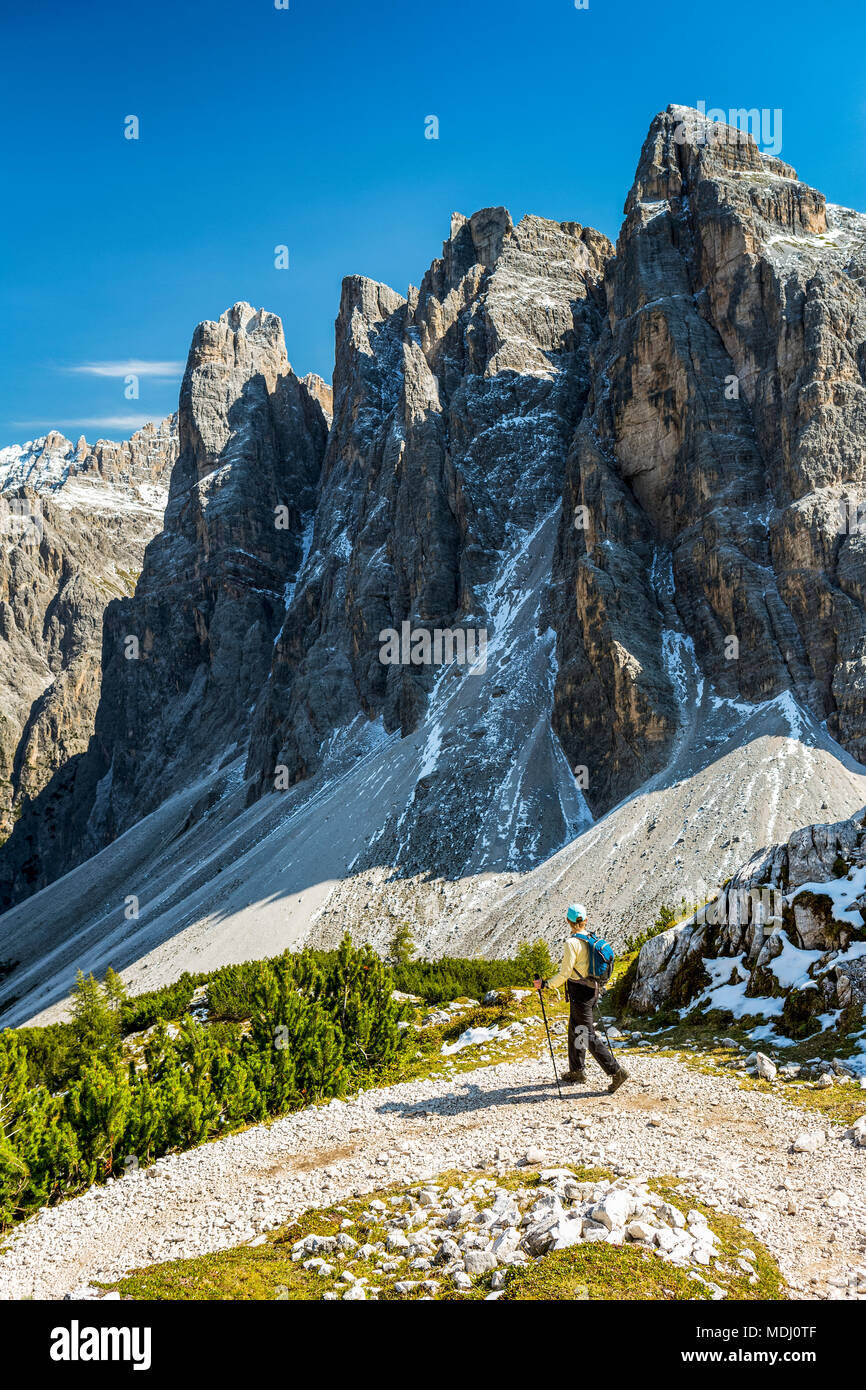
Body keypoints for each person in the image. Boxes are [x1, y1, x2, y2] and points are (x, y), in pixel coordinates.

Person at [533, 902, 629, 1092]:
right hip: (592, 990)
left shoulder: (571, 943)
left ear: (568, 921)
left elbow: (565, 973)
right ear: (585, 920)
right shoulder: (590, 938)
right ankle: (577, 1070)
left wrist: (546, 984)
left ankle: (616, 1071)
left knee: (586, 1034)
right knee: (575, 1029)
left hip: (579, 992)